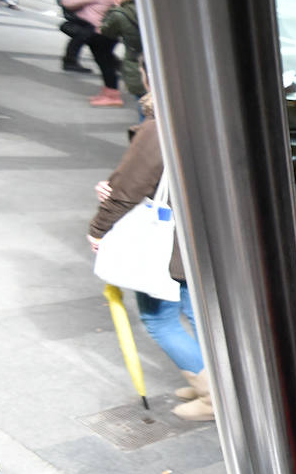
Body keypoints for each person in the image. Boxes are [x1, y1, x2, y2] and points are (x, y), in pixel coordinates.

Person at [87, 92, 214, 422]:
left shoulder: (161, 126)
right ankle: (220, 382)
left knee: (160, 320)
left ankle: (212, 396)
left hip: (167, 243)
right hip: (197, 238)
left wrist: (98, 228)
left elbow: (129, 188)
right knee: (195, 311)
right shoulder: (203, 118)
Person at [60, 0, 123, 106]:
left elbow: (67, 1)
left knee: (104, 63)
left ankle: (112, 95)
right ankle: (109, 92)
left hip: (95, 30)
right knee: (107, 61)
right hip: (110, 30)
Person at [99, 0, 144, 98]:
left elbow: (106, 31)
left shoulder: (119, 14)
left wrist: (114, 8)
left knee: (144, 104)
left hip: (135, 61)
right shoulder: (151, 8)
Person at [55, 0, 94, 72]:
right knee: (85, 34)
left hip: (76, 11)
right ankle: (70, 61)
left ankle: (70, 61)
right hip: (75, 12)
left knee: (87, 35)